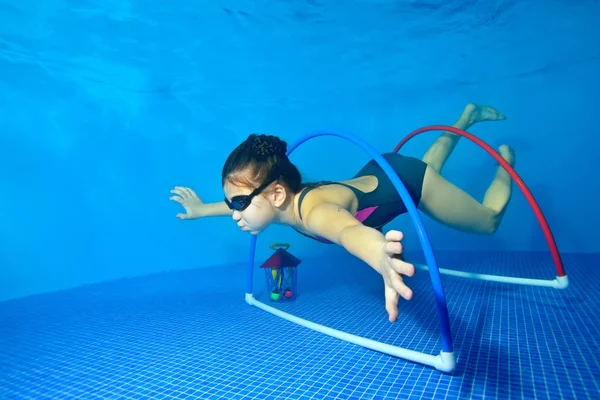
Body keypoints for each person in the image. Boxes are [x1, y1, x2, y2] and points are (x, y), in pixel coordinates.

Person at [170, 103, 515, 323]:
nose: (235, 214)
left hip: (406, 183)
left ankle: (505, 161)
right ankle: (465, 117)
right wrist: (202, 210)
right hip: (384, 169)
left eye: (240, 204)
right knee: (427, 163)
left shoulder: (314, 212)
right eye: (232, 204)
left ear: (276, 193)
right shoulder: (281, 200)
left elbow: (348, 232)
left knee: (489, 220)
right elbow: (239, 203)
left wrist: (379, 255)